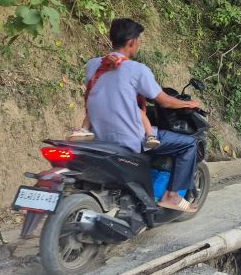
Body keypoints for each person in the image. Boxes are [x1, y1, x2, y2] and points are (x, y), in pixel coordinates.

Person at [85, 18, 203, 213]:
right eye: (139, 40)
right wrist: (188, 103)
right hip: (131, 139)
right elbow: (164, 101)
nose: (139, 45)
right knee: (188, 144)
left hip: (99, 138)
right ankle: (173, 196)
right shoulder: (137, 70)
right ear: (131, 42)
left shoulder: (93, 65)